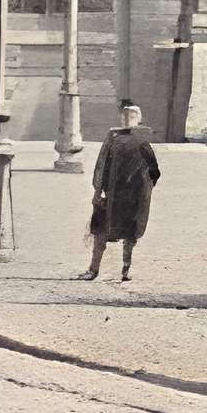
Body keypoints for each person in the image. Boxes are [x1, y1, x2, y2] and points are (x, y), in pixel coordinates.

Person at [83, 100, 161, 283]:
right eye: (125, 115)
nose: (128, 118)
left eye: (132, 116)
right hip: (112, 195)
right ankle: (94, 269)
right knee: (101, 230)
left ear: (138, 118)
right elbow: (102, 165)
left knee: (129, 233)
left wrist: (143, 190)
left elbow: (154, 169)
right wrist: (99, 190)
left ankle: (125, 270)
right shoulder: (114, 138)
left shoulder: (141, 141)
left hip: (132, 197)